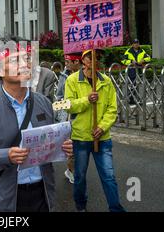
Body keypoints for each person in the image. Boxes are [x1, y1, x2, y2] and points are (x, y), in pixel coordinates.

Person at [0, 37, 73, 212]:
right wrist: (5, 156)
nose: (25, 64)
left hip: (43, 196)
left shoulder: (43, 103)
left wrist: (62, 146)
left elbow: (47, 142)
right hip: (4, 199)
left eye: (27, 58)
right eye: (15, 60)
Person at [64, 49, 126, 212]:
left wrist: (102, 127)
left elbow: (112, 109)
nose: (93, 58)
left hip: (102, 138)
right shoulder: (72, 80)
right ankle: (80, 205)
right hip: (81, 138)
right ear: (83, 60)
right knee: (80, 177)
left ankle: (115, 208)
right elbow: (68, 105)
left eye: (96, 56)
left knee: (109, 177)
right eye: (89, 56)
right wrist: (86, 99)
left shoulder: (106, 81)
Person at [54, 54, 82, 185]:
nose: (66, 65)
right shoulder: (64, 76)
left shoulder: (85, 75)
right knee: (72, 146)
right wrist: (63, 108)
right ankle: (71, 171)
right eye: (65, 62)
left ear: (77, 62)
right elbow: (59, 96)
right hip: (68, 116)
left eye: (68, 62)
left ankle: (74, 170)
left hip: (83, 114)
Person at [121, 39, 151, 104]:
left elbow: (148, 58)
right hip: (131, 70)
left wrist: (143, 60)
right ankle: (131, 99)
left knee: (138, 84)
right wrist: (131, 62)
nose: (136, 44)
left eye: (137, 43)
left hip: (139, 70)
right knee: (132, 84)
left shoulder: (142, 51)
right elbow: (123, 60)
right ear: (132, 44)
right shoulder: (128, 51)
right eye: (134, 43)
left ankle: (137, 99)